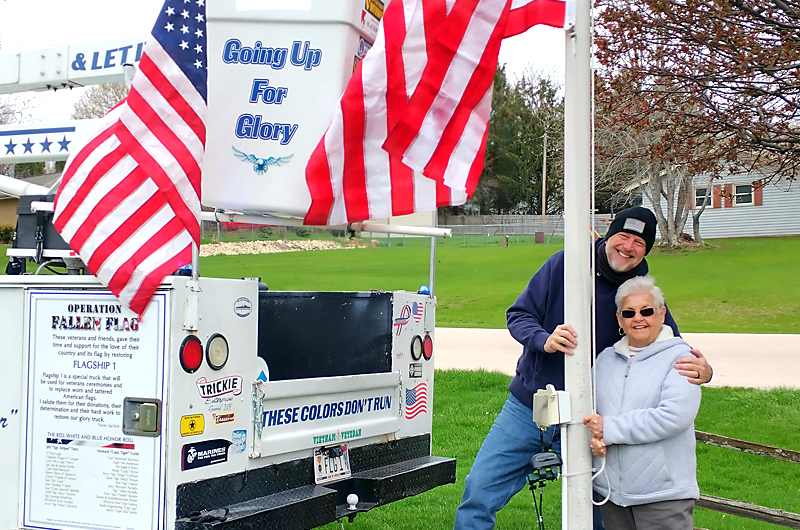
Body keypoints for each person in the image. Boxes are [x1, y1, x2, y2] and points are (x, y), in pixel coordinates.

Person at [453, 206, 712, 530]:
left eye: (639, 243)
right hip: (529, 407)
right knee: (479, 491)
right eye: (623, 236)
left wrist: (704, 370)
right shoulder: (564, 265)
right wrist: (544, 340)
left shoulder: (637, 294)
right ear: (609, 235)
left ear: (646, 251)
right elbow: (518, 315)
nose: (628, 247)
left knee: (596, 513)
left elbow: (666, 341)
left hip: (588, 418)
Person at [584, 275, 700, 529]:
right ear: (619, 319)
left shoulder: (682, 359)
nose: (638, 318)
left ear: (662, 313)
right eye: (629, 313)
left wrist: (608, 429)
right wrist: (594, 439)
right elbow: (590, 416)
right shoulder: (604, 360)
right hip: (612, 496)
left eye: (646, 311)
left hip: (663, 496)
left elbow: (672, 417)